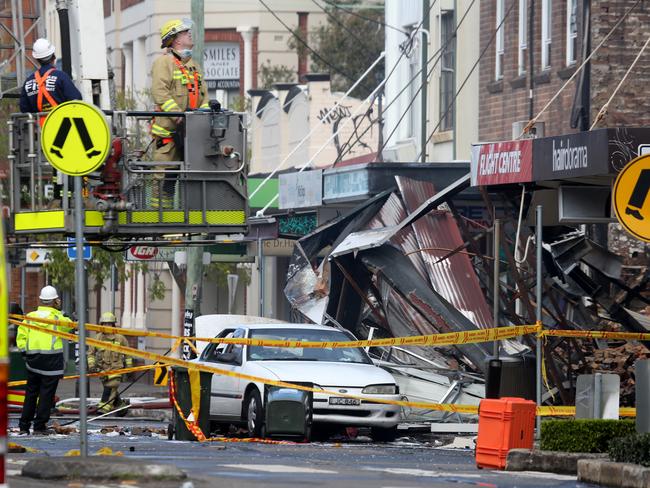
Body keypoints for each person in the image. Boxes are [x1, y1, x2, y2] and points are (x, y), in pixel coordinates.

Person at [150, 18, 208, 208]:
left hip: (191, 135)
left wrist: (203, 120)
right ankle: (159, 222)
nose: (189, 34)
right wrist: (178, 116)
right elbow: (160, 92)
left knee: (192, 179)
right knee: (164, 181)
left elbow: (204, 97)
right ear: (175, 40)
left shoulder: (194, 66)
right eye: (185, 32)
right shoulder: (164, 62)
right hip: (169, 137)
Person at [16, 285, 73, 435]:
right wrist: (64, 313)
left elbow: (21, 337)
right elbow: (70, 326)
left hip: (33, 362)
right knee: (46, 396)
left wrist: (24, 353)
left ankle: (23, 426)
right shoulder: (58, 318)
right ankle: (39, 426)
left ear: (41, 300)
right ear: (55, 301)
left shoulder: (29, 317)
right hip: (51, 363)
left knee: (31, 394)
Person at [19, 38, 82, 123]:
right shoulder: (61, 77)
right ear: (54, 56)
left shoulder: (28, 82)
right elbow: (76, 100)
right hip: (62, 127)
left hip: (39, 131)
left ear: (37, 59)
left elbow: (24, 108)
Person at [88, 312, 133, 414]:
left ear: (113, 325)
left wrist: (129, 367)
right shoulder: (97, 338)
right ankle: (121, 407)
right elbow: (90, 353)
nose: (107, 326)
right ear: (101, 325)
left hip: (116, 368)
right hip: (102, 370)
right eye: (105, 324)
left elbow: (129, 353)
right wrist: (91, 365)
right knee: (112, 389)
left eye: (109, 324)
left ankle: (103, 408)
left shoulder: (120, 338)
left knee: (110, 387)